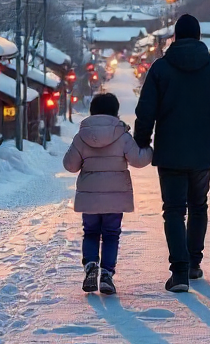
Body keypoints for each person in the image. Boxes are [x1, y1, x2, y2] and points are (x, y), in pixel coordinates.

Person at [134, 13, 210, 293]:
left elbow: (146, 110)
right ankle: (193, 263)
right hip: (202, 154)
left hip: (170, 153)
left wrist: (141, 141)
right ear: (199, 38)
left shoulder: (160, 69)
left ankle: (179, 272)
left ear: (175, 38)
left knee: (173, 211)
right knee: (199, 206)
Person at [62, 91, 152, 295]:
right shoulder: (122, 134)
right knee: (111, 234)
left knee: (91, 232)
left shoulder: (82, 135)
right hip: (115, 197)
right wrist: (150, 150)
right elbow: (138, 160)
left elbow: (69, 165)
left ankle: (91, 265)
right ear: (115, 112)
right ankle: (106, 274)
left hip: (90, 197)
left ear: (92, 111)